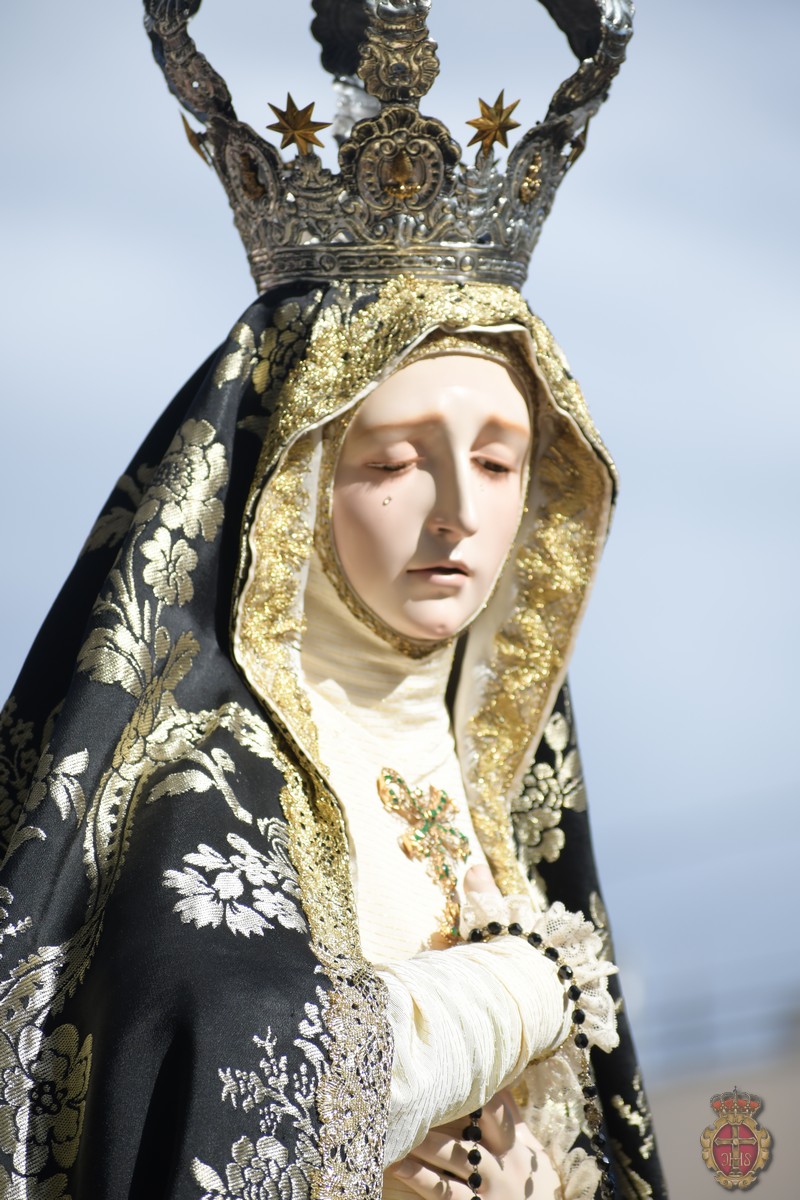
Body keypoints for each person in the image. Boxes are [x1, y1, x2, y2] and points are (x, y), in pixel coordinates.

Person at [0, 2, 667, 1198]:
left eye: (500, 462)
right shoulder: (201, 771)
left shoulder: (494, 772)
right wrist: (521, 988)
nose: (456, 511)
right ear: (293, 482)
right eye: (395, 460)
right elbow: (226, 1081)